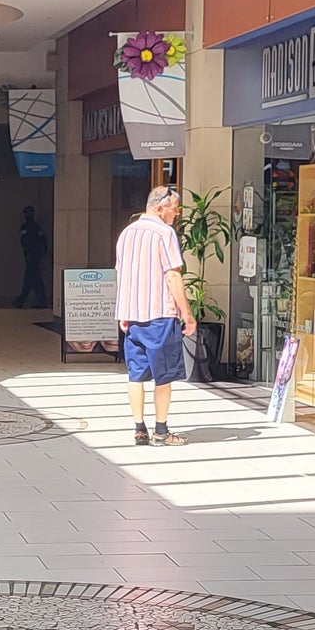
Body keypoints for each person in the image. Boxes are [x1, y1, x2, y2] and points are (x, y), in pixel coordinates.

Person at [115, 187, 193, 446]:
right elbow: (172, 275)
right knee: (164, 375)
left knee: (135, 375)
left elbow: (121, 274)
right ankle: (161, 430)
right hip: (161, 315)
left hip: (133, 318)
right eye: (174, 208)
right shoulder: (164, 233)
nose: (177, 213)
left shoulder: (126, 234)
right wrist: (187, 314)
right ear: (160, 208)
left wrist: (122, 312)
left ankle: (139, 429)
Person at [13, 205, 50, 310]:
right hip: (32, 255)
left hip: (33, 256)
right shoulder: (31, 226)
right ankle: (33, 300)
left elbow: (34, 241)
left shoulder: (31, 226)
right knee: (33, 279)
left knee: (31, 279)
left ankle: (22, 301)